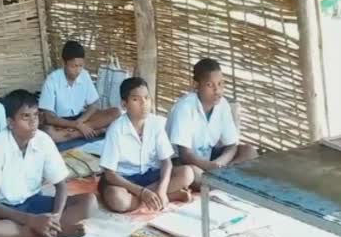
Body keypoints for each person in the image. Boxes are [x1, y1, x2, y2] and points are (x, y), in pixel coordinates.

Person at [0, 89, 97, 237]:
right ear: (10, 122)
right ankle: (49, 233)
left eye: (36, 115)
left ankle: (47, 230)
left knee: (90, 202)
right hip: (7, 210)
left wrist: (56, 218)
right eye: (25, 117)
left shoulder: (42, 139)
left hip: (34, 202)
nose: (33, 122)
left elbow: (61, 185)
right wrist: (32, 221)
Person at [99, 77, 194, 212]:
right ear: (124, 105)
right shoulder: (116, 130)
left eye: (147, 98)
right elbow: (109, 174)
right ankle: (168, 195)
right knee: (118, 200)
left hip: (150, 176)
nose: (144, 103)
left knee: (187, 173)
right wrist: (141, 192)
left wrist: (161, 189)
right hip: (125, 180)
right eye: (136, 99)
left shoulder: (156, 123)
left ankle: (158, 196)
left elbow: (166, 162)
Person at [167, 58, 258, 188]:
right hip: (183, 163)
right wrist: (210, 167)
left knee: (250, 153)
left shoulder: (223, 105)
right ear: (196, 85)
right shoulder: (184, 107)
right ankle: (221, 180)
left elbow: (231, 145)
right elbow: (184, 154)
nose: (217, 90)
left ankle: (219, 180)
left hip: (211, 160)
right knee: (191, 174)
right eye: (210, 85)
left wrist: (220, 163)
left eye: (221, 84)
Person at [39, 41, 120, 143]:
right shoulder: (52, 80)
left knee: (115, 112)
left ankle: (73, 134)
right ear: (63, 63)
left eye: (80, 66)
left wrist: (81, 121)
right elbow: (49, 117)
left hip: (82, 118)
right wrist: (76, 125)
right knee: (47, 132)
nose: (78, 70)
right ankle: (95, 131)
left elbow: (94, 104)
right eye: (74, 66)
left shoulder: (84, 75)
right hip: (61, 122)